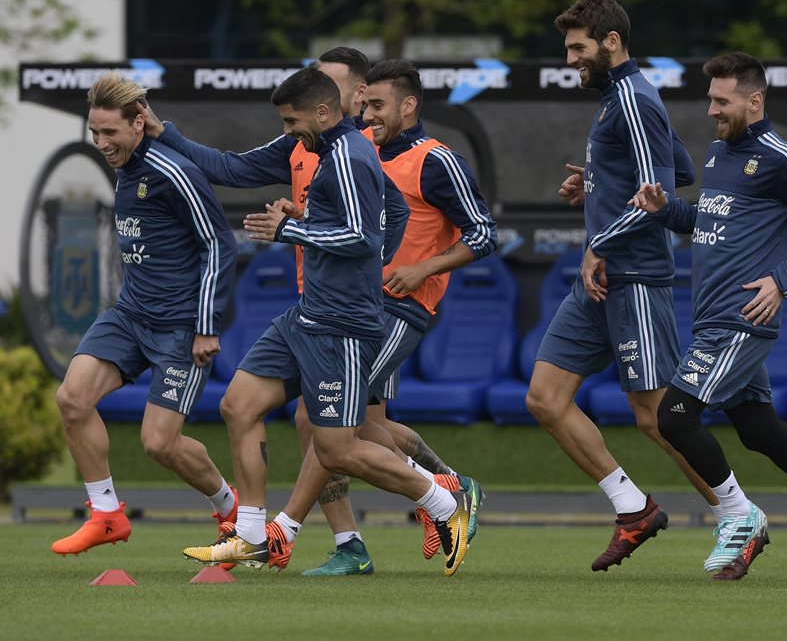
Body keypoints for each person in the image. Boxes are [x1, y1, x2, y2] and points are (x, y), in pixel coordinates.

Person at [147, 48, 478, 576]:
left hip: (342, 326)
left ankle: (445, 502)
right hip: (307, 314)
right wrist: (312, 216)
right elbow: (389, 212)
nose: (288, 129)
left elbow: (360, 236)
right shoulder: (332, 150)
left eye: (291, 119)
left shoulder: (348, 154)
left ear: (325, 111)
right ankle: (253, 534)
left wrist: (291, 229)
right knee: (238, 404)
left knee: (338, 448)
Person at [632, 52, 787, 578]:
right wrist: (665, 208)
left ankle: (738, 515)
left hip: (742, 317)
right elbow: (711, 220)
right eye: (710, 98)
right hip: (712, 315)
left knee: (673, 416)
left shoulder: (784, 156)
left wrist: (782, 282)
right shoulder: (717, 153)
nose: (712, 109)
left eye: (722, 100)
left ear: (754, 100)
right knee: (757, 427)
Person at [274, 58, 498, 572]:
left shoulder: (436, 160)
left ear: (409, 104)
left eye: (376, 105)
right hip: (356, 308)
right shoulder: (358, 154)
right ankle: (450, 487)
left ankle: (286, 530)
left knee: (317, 416)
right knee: (367, 424)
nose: (366, 113)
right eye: (364, 103)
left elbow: (484, 234)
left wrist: (425, 268)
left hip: (401, 309)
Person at [525, 0, 720, 571]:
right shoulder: (617, 99)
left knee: (660, 416)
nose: (571, 59)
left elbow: (660, 195)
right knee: (545, 397)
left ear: (612, 42)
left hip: (631, 273)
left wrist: (599, 242)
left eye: (579, 48)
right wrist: (600, 180)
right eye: (568, 48)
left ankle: (737, 514)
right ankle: (632, 507)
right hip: (603, 276)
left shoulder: (632, 97)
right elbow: (677, 169)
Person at [51, 72, 237, 556]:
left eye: (110, 132)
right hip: (130, 314)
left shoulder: (173, 171)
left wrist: (206, 324)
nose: (101, 142)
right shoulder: (125, 168)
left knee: (159, 443)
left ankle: (229, 507)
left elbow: (219, 243)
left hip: (180, 327)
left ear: (139, 123)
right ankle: (107, 514)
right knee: (72, 398)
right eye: (95, 133)